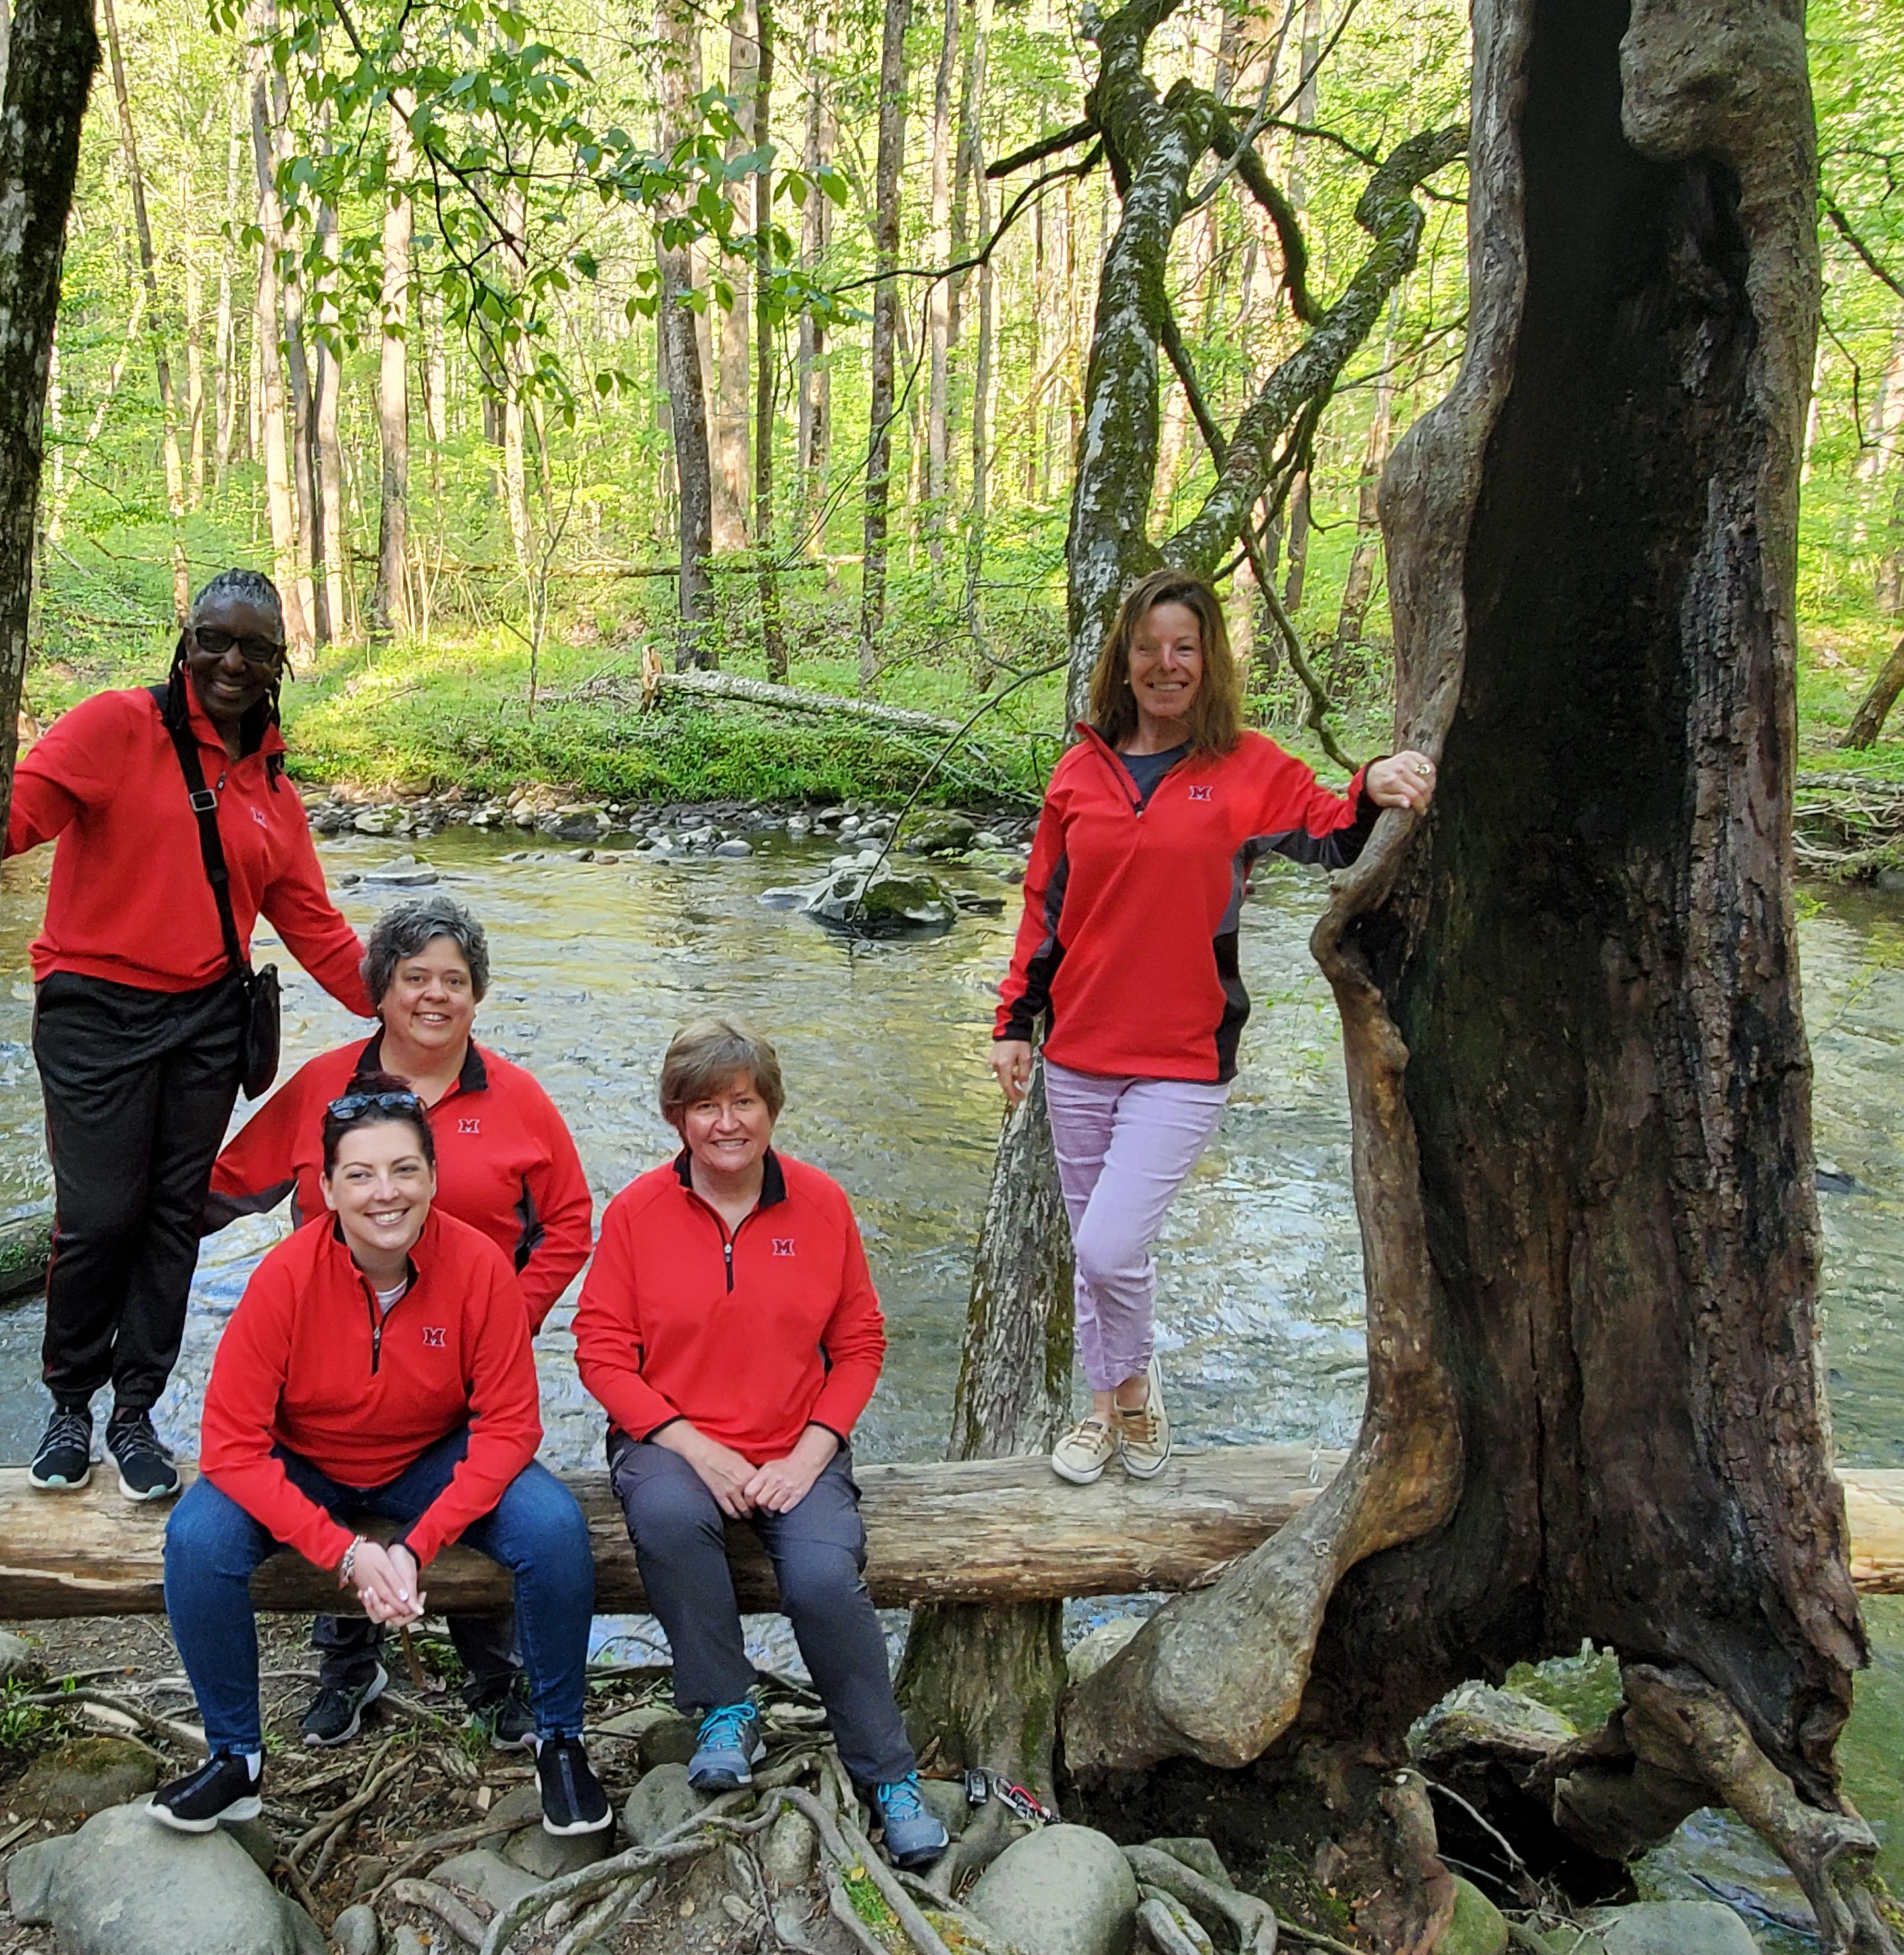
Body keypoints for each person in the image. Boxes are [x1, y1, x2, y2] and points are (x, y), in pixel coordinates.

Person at [0, 569, 375, 1503]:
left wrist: (405, 1004)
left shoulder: (272, 784)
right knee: (101, 1215)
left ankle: (136, 1411)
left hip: (208, 1024)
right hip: (95, 1014)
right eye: (214, 639)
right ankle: (71, 1404)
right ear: (186, 642)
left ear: (279, 663)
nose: (231, 662)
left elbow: (313, 925)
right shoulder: (118, 724)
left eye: (255, 648)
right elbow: (13, 814)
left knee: (171, 1220)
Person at [990, 568, 1437, 1485]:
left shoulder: (1247, 768)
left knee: (1110, 1244)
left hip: (1186, 1056)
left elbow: (1331, 832)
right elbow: (1044, 909)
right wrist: (1014, 1022)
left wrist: (1373, 783)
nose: (1166, 665)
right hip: (1078, 1053)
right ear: (1124, 660)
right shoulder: (1080, 772)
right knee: (1096, 1250)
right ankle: (1106, 1410)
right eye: (1148, 647)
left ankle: (1134, 1395)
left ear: (1209, 660)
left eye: (1184, 648)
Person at [152, 1079, 613, 1839]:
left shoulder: (480, 1268)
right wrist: (346, 1553)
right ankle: (236, 1760)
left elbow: (508, 1429)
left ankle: (561, 1741)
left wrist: (414, 1548)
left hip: (432, 1456)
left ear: (433, 1177)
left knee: (555, 1527)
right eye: (360, 1175)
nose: (385, 1193)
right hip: (306, 1459)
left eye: (405, 1170)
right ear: (328, 1189)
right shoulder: (283, 1281)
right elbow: (231, 1447)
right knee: (198, 1540)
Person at [207, 896, 594, 1750]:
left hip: (460, 1371)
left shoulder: (519, 1100)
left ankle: (493, 1681)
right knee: (330, 1477)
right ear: (380, 990)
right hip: (330, 1371)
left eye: (454, 980)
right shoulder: (323, 1086)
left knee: (485, 1496)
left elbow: (568, 1224)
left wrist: (509, 1318)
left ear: (477, 994)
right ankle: (349, 1667)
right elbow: (228, 1187)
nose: (434, 996)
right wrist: (127, 1230)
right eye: (415, 978)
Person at [572, 1016, 949, 1871]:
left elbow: (860, 1344)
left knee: (821, 1580)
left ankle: (890, 1777)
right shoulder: (636, 1213)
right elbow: (601, 1352)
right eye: (704, 1106)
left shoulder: (821, 1205)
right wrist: (695, 1448)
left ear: (770, 1108)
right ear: (677, 1117)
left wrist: (810, 1453)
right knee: (670, 1517)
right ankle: (726, 1709)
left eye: (742, 1102)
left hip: (795, 1446)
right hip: (669, 1443)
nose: (726, 1123)